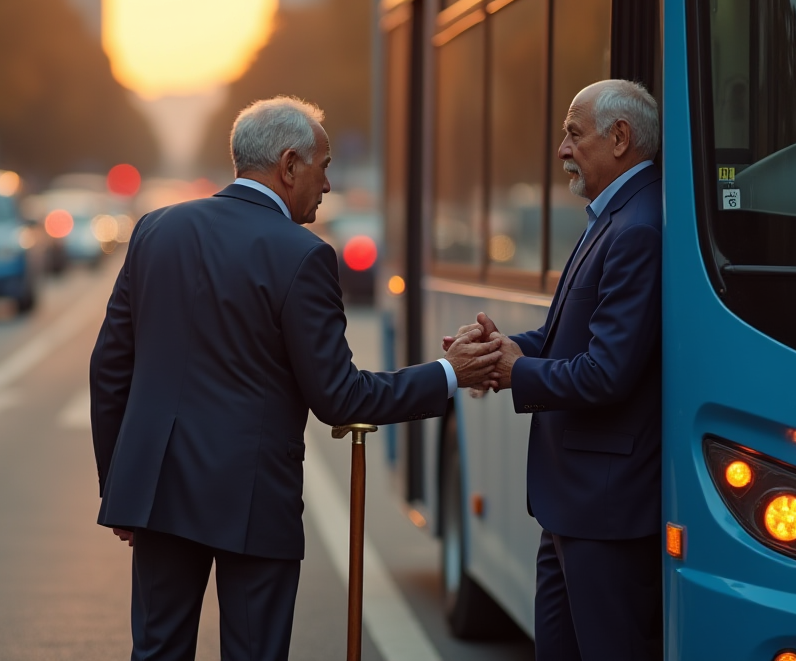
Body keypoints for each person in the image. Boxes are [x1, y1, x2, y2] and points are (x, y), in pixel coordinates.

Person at [89, 96, 502, 661]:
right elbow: (340, 396)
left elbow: (110, 367)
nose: (327, 185)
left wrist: (120, 485)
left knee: (158, 651)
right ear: (288, 166)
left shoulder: (157, 230)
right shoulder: (303, 255)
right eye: (323, 167)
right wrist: (447, 375)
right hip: (251, 498)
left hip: (157, 490)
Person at [448, 79, 663, 660]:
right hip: (573, 507)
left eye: (573, 135)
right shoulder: (612, 216)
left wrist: (514, 372)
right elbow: (557, 337)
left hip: (606, 513)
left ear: (620, 138)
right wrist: (494, 351)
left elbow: (606, 372)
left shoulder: (638, 227)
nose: (562, 150)